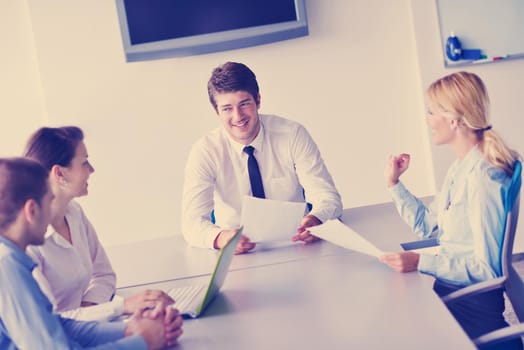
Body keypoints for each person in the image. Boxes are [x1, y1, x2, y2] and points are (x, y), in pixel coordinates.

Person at [380, 71, 522, 350]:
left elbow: (488, 271)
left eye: (432, 112)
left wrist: (421, 262)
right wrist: (394, 183)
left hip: (467, 310)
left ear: (454, 120)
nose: (428, 119)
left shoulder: (483, 179)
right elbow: (430, 228)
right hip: (451, 293)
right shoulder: (461, 167)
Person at [0, 157, 183, 349]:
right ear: (32, 210)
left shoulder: (12, 260)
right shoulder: (7, 267)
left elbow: (59, 328)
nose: (53, 212)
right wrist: (141, 342)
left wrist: (131, 329)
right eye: (49, 201)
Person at [182, 61, 342, 254]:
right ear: (216, 111)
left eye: (244, 104)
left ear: (258, 100)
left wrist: (317, 219)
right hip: (237, 255)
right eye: (227, 109)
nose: (238, 116)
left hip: (298, 245)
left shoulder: (292, 134)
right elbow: (192, 224)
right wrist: (223, 238)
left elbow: (328, 198)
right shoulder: (205, 151)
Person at [23, 126, 174, 321]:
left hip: (90, 329)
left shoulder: (74, 213)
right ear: (59, 174)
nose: (92, 169)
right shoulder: (28, 244)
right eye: (85, 162)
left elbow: (104, 275)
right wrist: (122, 307)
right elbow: (52, 323)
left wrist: (91, 310)